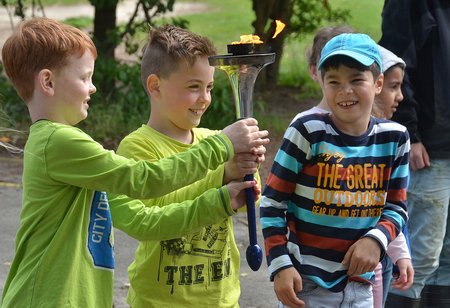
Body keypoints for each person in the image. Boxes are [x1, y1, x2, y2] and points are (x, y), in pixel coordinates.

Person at [0, 17, 269, 307]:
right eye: (84, 78)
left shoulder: (59, 141)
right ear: (48, 82)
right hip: (47, 298)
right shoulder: (58, 141)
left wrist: (230, 172)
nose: (93, 88)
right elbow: (142, 180)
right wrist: (223, 146)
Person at [108, 24, 265, 307]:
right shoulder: (139, 146)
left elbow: (247, 200)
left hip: (222, 300)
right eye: (193, 87)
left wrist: (239, 171)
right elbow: (148, 221)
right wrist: (219, 192)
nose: (205, 98)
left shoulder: (215, 140)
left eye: (209, 87)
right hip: (159, 302)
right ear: (155, 85)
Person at [260, 33, 410, 308]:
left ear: (378, 83)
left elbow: (396, 207)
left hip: (360, 287)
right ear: (322, 85)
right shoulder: (307, 130)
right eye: (334, 82)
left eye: (356, 79)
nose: (345, 90)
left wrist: (376, 241)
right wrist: (280, 265)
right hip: (306, 286)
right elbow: (272, 202)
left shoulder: (395, 138)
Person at [379, 1, 450, 307]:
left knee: (447, 259)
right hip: (430, 147)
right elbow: (397, 63)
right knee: (418, 259)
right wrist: (411, 132)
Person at [372, 45, 413, 308]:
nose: (400, 96)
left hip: (381, 257)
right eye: (393, 86)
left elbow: (389, 206)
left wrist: (401, 254)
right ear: (375, 85)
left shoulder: (394, 139)